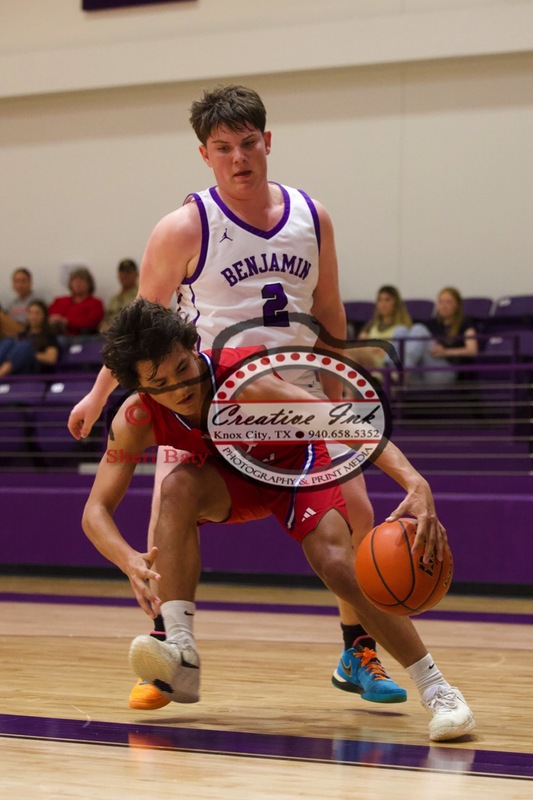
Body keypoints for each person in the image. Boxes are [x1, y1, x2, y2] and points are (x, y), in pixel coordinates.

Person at [68, 85, 475, 740]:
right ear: (204, 154)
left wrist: (358, 408)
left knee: (352, 543)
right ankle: (173, 660)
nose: (238, 158)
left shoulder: (310, 217)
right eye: (222, 148)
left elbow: (333, 314)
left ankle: (374, 656)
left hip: (284, 402)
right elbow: (140, 326)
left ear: (267, 141)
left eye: (248, 143)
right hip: (194, 404)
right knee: (168, 510)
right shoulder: (183, 229)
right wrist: (98, 395)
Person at [82, 299, 475, 741]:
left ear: (193, 347)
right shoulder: (135, 417)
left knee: (337, 565)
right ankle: (182, 654)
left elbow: (336, 418)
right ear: (139, 387)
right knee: (176, 488)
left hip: (295, 464)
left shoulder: (243, 382)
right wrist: (128, 559)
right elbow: (95, 511)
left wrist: (413, 480)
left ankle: (440, 691)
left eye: (181, 366)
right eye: (161, 382)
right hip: (232, 480)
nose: (180, 385)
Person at [399, 287, 478, 385]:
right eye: (441, 302)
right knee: (401, 330)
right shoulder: (432, 324)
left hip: (447, 371)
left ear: (457, 305)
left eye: (448, 302)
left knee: (419, 329)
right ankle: (392, 371)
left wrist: (446, 352)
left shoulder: (465, 323)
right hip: (423, 372)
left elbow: (472, 350)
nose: (443, 306)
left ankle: (398, 372)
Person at [0, 299, 59, 377]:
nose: (34, 316)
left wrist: (29, 353)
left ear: (44, 316)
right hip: (16, 367)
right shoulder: (21, 334)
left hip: (33, 368)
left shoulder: (49, 336)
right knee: (8, 342)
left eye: (37, 313)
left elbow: (51, 358)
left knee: (25, 346)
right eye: (31, 313)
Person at [48, 266, 104, 337]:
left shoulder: (96, 303)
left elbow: (91, 323)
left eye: (81, 280)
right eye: (74, 280)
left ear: (89, 284)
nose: (77, 283)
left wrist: (67, 322)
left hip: (81, 338)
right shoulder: (59, 301)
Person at [99, 258, 139, 333]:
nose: (125, 276)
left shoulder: (140, 295)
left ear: (136, 274)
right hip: (110, 336)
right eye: (122, 272)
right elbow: (105, 319)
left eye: (128, 272)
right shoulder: (114, 298)